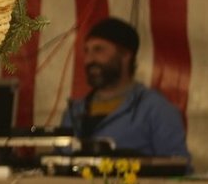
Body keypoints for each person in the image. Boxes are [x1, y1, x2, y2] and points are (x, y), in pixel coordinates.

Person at [59, 17, 191, 167]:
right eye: (86, 51)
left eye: (98, 50)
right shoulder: (74, 111)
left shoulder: (155, 109)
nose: (89, 60)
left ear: (125, 56)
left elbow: (178, 167)